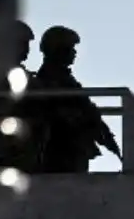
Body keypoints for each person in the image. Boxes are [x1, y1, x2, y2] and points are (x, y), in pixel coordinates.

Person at [27, 25, 120, 173]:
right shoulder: (48, 81)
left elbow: (87, 111)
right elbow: (61, 114)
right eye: (70, 47)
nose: (74, 52)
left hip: (73, 149)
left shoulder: (65, 80)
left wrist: (105, 137)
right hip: (60, 150)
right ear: (58, 50)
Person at [0, 20, 44, 171]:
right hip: (15, 136)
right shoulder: (2, 75)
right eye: (23, 44)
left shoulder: (18, 74)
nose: (27, 49)